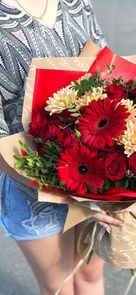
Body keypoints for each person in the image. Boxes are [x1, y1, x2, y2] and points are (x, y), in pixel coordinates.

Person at [0, 1, 123, 294]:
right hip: (31, 186)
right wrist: (73, 196)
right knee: (60, 288)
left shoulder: (76, 1)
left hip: (95, 172)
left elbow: (107, 68)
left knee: (91, 277)